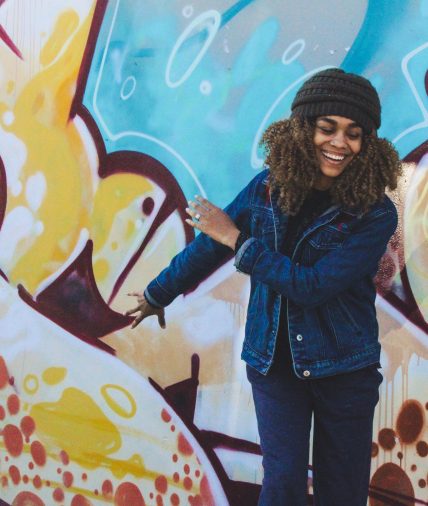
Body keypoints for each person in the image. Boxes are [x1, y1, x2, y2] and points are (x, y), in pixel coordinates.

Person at [125, 68, 402, 505]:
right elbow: (209, 247)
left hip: (345, 368)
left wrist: (237, 240)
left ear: (368, 143)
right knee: (283, 486)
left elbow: (312, 286)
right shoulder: (267, 189)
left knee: (341, 492)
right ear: (301, 129)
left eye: (354, 133)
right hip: (274, 364)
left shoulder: (375, 213)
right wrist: (159, 293)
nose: (339, 143)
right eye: (326, 128)